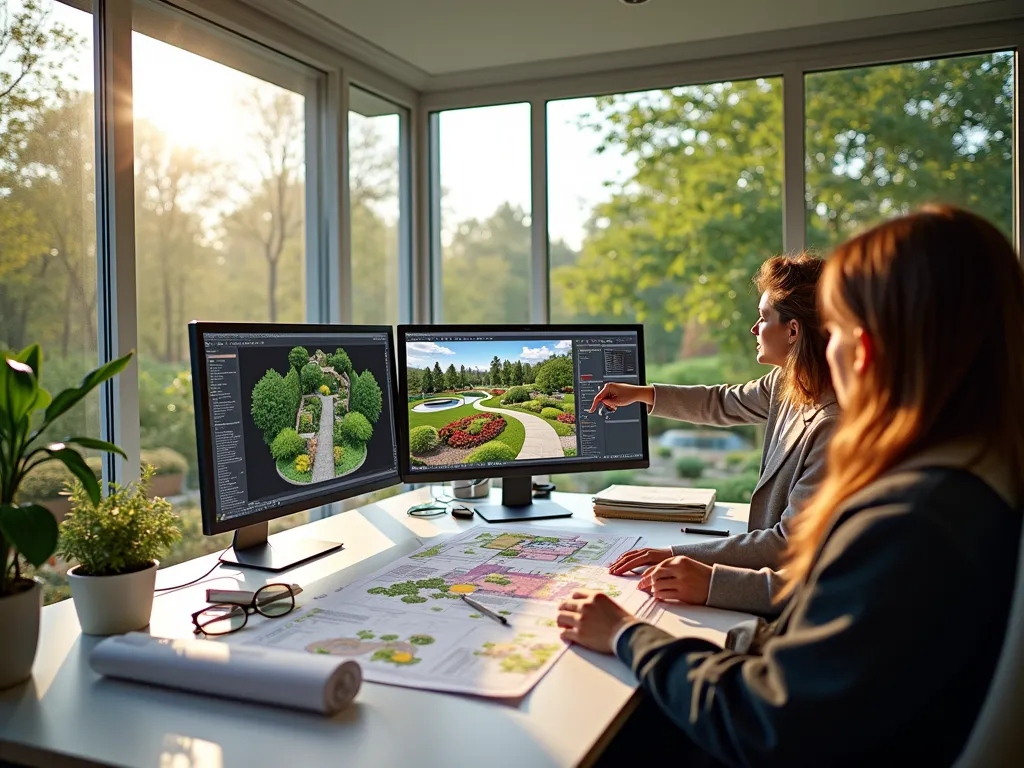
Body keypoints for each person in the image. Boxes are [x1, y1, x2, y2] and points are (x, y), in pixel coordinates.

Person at [559, 205, 1024, 766]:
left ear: (865, 348)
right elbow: (835, 614)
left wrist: (627, 637)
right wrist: (645, 394)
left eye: (842, 328)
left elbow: (766, 719)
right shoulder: (972, 484)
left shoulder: (908, 521)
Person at [593, 254, 838, 616]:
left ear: (793, 331)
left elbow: (786, 544)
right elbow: (721, 402)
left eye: (764, 317)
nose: (754, 328)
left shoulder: (831, 424)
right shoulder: (788, 382)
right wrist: (642, 394)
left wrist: (676, 555)